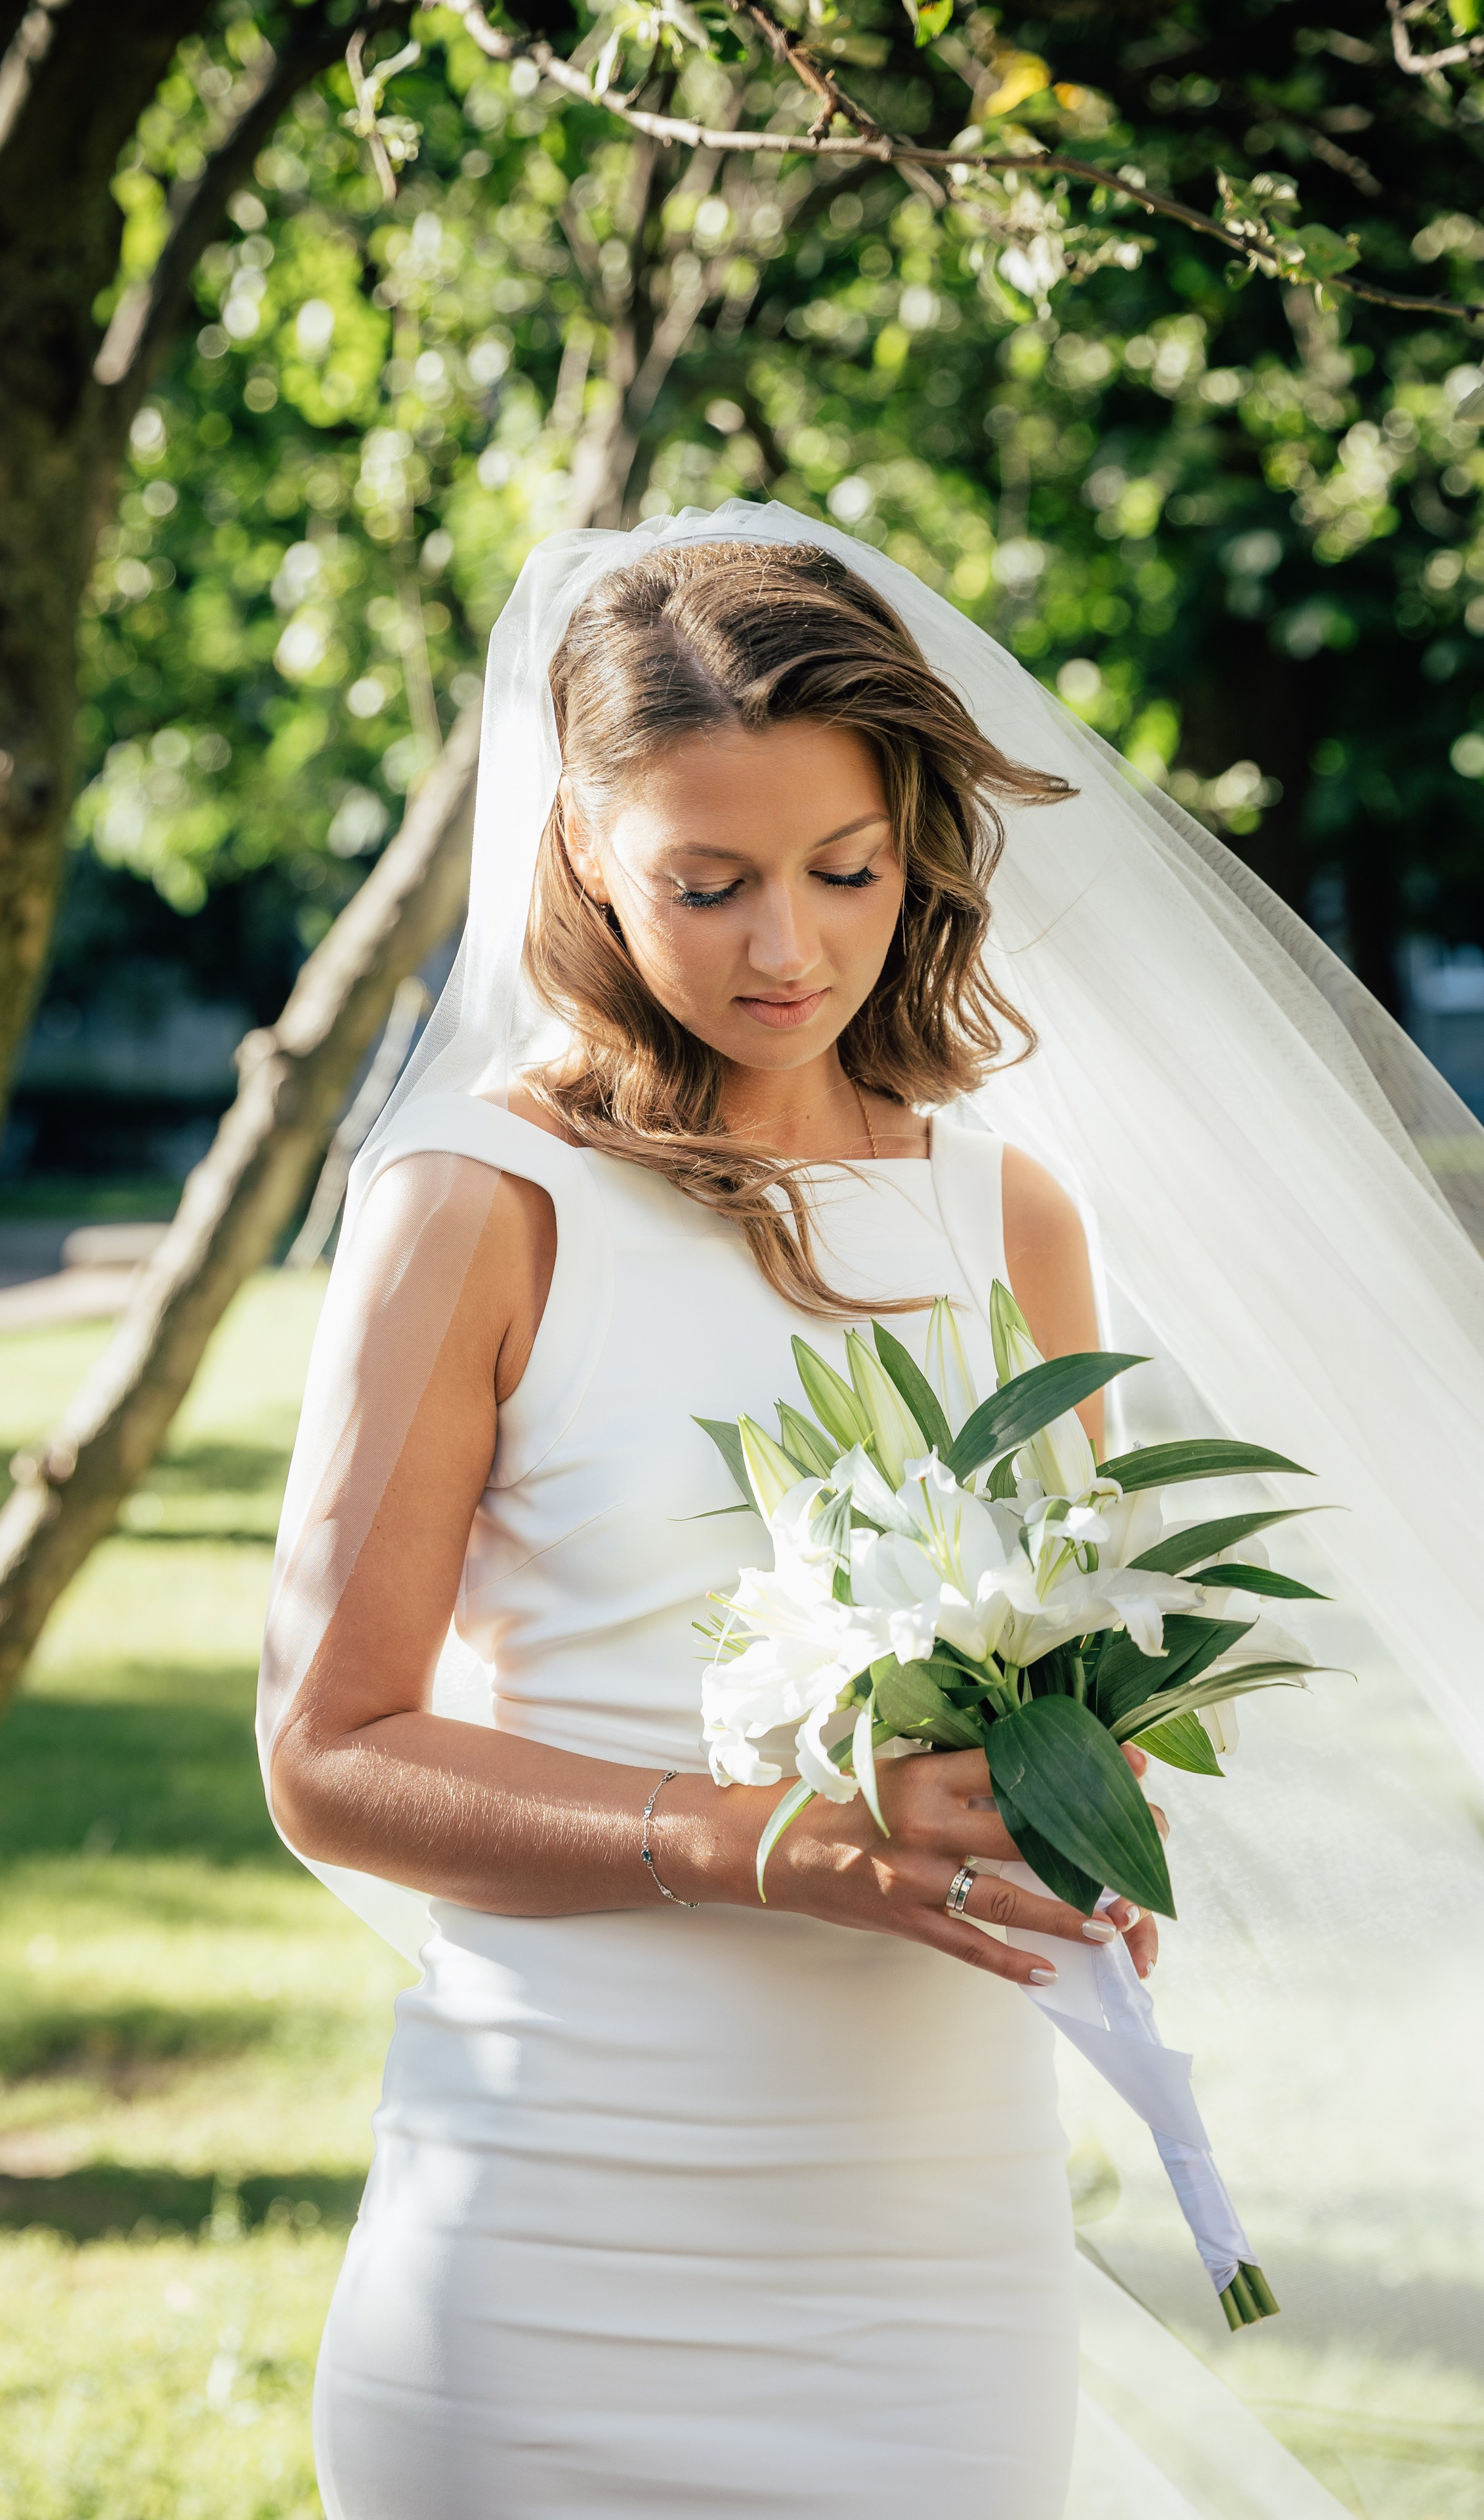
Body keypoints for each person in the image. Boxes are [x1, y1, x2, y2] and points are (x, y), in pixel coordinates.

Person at [259, 503, 1484, 2520]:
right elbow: (327, 1757)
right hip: (560, 2235)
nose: (788, 948)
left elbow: (1064, 1667)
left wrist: (1085, 1809)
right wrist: (768, 1846)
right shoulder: (478, 1210)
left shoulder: (1006, 1214)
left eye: (845, 871)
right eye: (708, 882)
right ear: (579, 845)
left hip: (929, 2258)